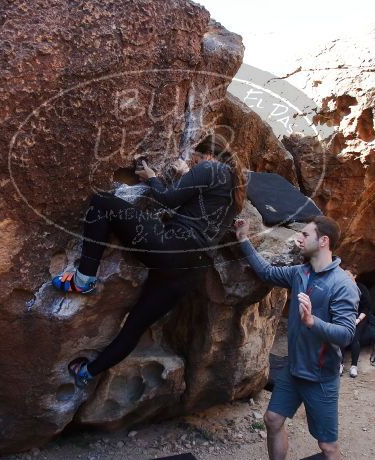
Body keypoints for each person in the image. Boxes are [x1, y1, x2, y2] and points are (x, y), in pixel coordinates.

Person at [52, 133, 247, 387]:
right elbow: (197, 205)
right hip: (190, 272)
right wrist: (187, 174)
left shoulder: (211, 167)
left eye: (196, 160)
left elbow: (166, 198)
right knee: (135, 326)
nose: (195, 165)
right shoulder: (233, 186)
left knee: (102, 203)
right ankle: (87, 373)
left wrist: (151, 177)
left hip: (173, 247)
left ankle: (84, 278)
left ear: (207, 155)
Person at [235, 215, 358, 460]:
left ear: (324, 241)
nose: (298, 239)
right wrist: (243, 239)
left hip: (321, 377)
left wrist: (311, 322)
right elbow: (265, 272)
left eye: (305, 235)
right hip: (293, 370)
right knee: (273, 420)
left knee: (327, 446)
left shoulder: (342, 284)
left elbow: (346, 334)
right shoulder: (300, 273)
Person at [343, 269, 375, 378]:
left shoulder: (361, 288)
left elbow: (366, 307)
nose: (345, 277)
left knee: (355, 337)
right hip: (346, 315)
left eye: (348, 275)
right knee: (342, 335)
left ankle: (354, 366)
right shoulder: (342, 287)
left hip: (361, 316)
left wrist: (358, 320)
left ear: (354, 276)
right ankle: (340, 364)